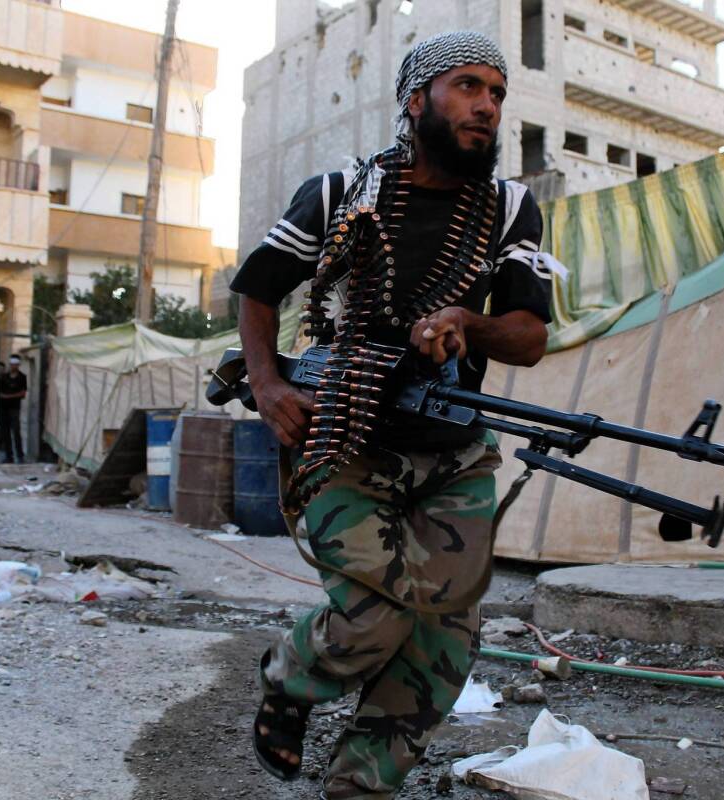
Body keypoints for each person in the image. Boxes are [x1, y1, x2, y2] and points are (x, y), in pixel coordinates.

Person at [229, 30, 553, 800]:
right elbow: (258, 289)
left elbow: (530, 336)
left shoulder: (510, 208)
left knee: (444, 640)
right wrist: (269, 384)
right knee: (374, 619)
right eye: (468, 87)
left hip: (453, 450)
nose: (487, 106)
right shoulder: (344, 193)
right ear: (417, 100)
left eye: (498, 94)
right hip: (346, 440)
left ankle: (360, 786)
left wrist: (467, 323)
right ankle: (288, 678)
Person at [0, 354, 27, 464]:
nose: (14, 366)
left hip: (14, 408)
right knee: (6, 433)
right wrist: (14, 394)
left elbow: (23, 394)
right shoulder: (4, 377)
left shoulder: (22, 377)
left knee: (16, 432)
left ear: (18, 365)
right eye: (12, 364)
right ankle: (9, 457)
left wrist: (8, 396)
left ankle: (20, 456)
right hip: (4, 409)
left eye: (16, 365)